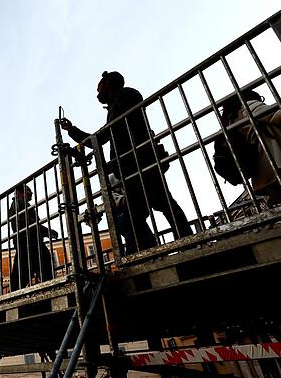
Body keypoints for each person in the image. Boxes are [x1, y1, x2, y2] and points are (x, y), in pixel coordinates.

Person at [61, 71, 192, 254]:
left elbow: (103, 136)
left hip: (139, 163)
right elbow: (106, 136)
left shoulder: (124, 96)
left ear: (108, 83)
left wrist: (73, 131)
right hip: (133, 165)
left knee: (159, 206)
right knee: (142, 213)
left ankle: (185, 243)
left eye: (99, 88)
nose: (97, 93)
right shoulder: (120, 101)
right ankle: (157, 249)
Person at [9, 185, 58, 291]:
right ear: (19, 193)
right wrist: (46, 231)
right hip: (29, 242)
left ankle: (15, 294)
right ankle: (51, 287)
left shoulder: (23, 204)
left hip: (28, 242)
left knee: (23, 272)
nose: (31, 193)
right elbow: (25, 222)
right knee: (42, 266)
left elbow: (30, 223)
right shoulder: (18, 203)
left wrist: (44, 231)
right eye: (28, 191)